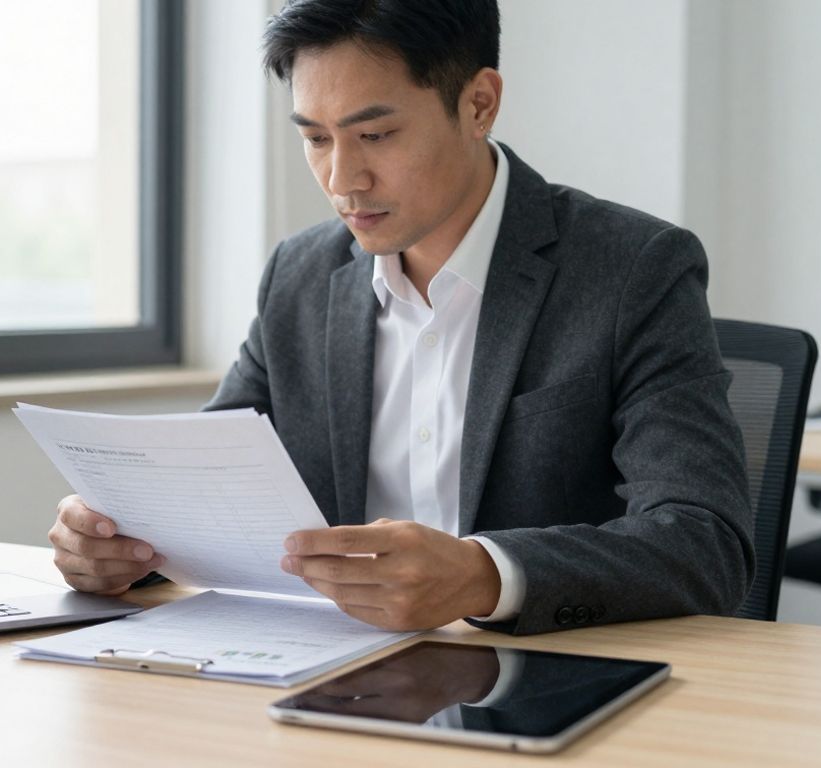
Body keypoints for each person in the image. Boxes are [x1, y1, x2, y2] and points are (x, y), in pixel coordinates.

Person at [48, 0, 753, 635]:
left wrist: (482, 575)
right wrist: (121, 546)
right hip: (324, 670)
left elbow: (703, 540)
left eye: (376, 135)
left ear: (479, 104)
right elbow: (204, 490)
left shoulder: (633, 269)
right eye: (317, 139)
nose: (341, 180)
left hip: (539, 681)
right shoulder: (300, 277)